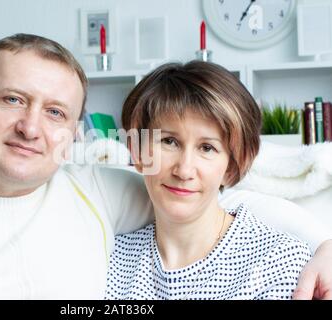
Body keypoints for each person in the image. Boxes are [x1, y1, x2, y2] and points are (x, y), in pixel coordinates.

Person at [0, 34, 330, 299]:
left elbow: (219, 203)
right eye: (13, 99)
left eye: (56, 112)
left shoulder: (93, 193)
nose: (31, 127)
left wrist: (325, 244)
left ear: (75, 130)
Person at [105, 61, 312, 299]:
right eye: (169, 142)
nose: (184, 170)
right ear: (138, 152)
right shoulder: (109, 256)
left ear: (232, 167)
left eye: (207, 148)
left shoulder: (278, 261)